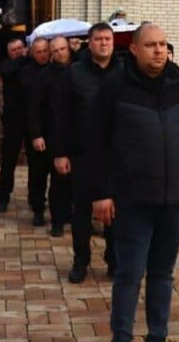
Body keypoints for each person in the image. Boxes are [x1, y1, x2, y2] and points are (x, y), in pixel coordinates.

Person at [87, 23, 179, 342]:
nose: (159, 50)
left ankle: (158, 334)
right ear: (134, 50)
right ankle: (122, 335)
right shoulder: (114, 87)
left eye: (164, 44)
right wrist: (101, 193)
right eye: (152, 45)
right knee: (129, 273)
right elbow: (96, 143)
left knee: (162, 273)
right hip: (132, 198)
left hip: (176, 199)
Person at [54, 21, 122, 283]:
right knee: (81, 212)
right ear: (89, 43)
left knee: (116, 212)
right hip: (83, 153)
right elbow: (61, 116)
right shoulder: (74, 73)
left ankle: (114, 260)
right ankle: (80, 261)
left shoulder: (124, 72)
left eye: (108, 39)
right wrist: (60, 152)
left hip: (116, 155)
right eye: (99, 39)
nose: (104, 43)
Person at [29, 36, 73, 235]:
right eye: (54, 51)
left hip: (67, 136)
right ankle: (38, 210)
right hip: (46, 136)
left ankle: (59, 219)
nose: (59, 53)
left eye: (63, 49)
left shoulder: (76, 71)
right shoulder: (44, 75)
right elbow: (34, 108)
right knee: (39, 177)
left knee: (61, 181)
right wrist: (36, 134)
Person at [0, 38, 32, 213]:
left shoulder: (31, 62)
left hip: (32, 119)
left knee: (36, 162)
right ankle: (3, 196)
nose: (17, 52)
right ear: (8, 53)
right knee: (8, 160)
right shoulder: (6, 65)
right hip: (12, 120)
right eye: (13, 50)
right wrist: (23, 56)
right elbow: (10, 70)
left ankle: (35, 197)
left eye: (20, 48)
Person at [17, 37, 51, 218]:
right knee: (37, 170)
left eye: (45, 51)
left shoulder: (57, 69)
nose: (42, 55)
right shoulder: (25, 72)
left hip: (55, 128)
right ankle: (37, 205)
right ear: (31, 53)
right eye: (38, 52)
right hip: (34, 126)